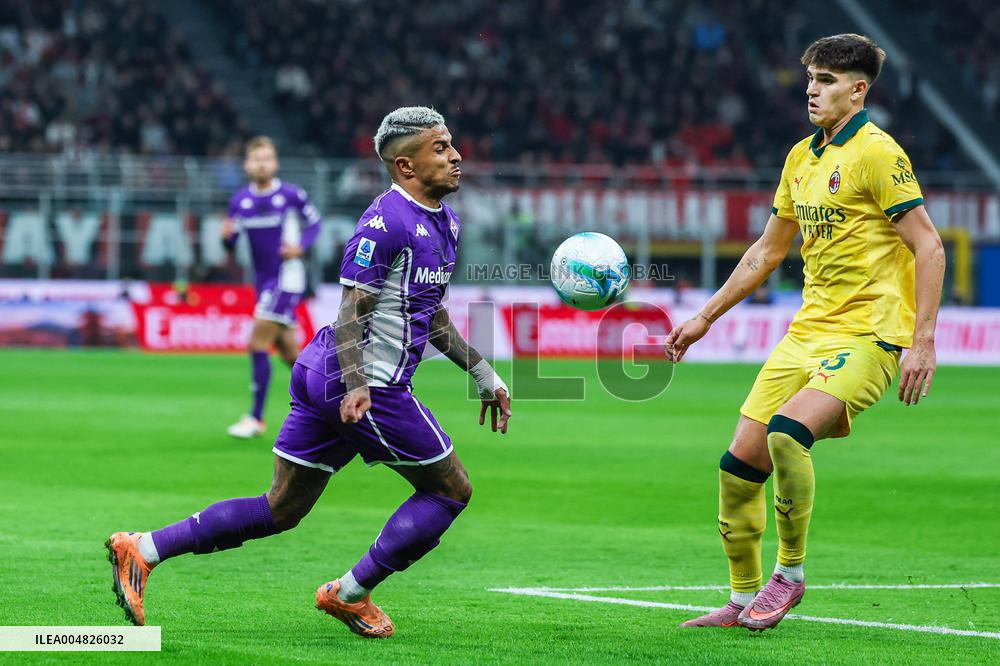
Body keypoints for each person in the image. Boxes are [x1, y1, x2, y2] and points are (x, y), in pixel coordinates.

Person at [106, 107, 512, 638]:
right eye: (440, 148)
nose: (456, 156)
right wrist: (360, 385)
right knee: (450, 490)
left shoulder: (445, 222)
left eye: (452, 144)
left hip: (324, 371)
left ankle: (144, 549)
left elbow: (429, 312)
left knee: (281, 507)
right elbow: (351, 311)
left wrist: (482, 373)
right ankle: (349, 594)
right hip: (367, 383)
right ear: (406, 166)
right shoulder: (384, 224)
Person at [667, 34, 945, 631]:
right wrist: (704, 317)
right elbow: (767, 251)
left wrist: (922, 340)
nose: (813, 90)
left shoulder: (877, 153)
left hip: (868, 333)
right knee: (737, 466)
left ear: (858, 89)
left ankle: (788, 575)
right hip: (806, 332)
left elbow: (928, 244)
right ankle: (741, 598)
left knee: (788, 434)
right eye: (810, 79)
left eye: (826, 80)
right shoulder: (802, 156)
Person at [222, 136, 323, 439]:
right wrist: (225, 237)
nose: (262, 164)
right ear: (247, 165)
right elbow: (231, 242)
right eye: (256, 159)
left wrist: (300, 247)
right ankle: (332, 402)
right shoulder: (240, 201)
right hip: (263, 281)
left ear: (275, 163)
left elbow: (315, 223)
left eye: (267, 158)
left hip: (286, 278)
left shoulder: (291, 195)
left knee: (256, 344)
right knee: (292, 354)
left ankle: (255, 418)